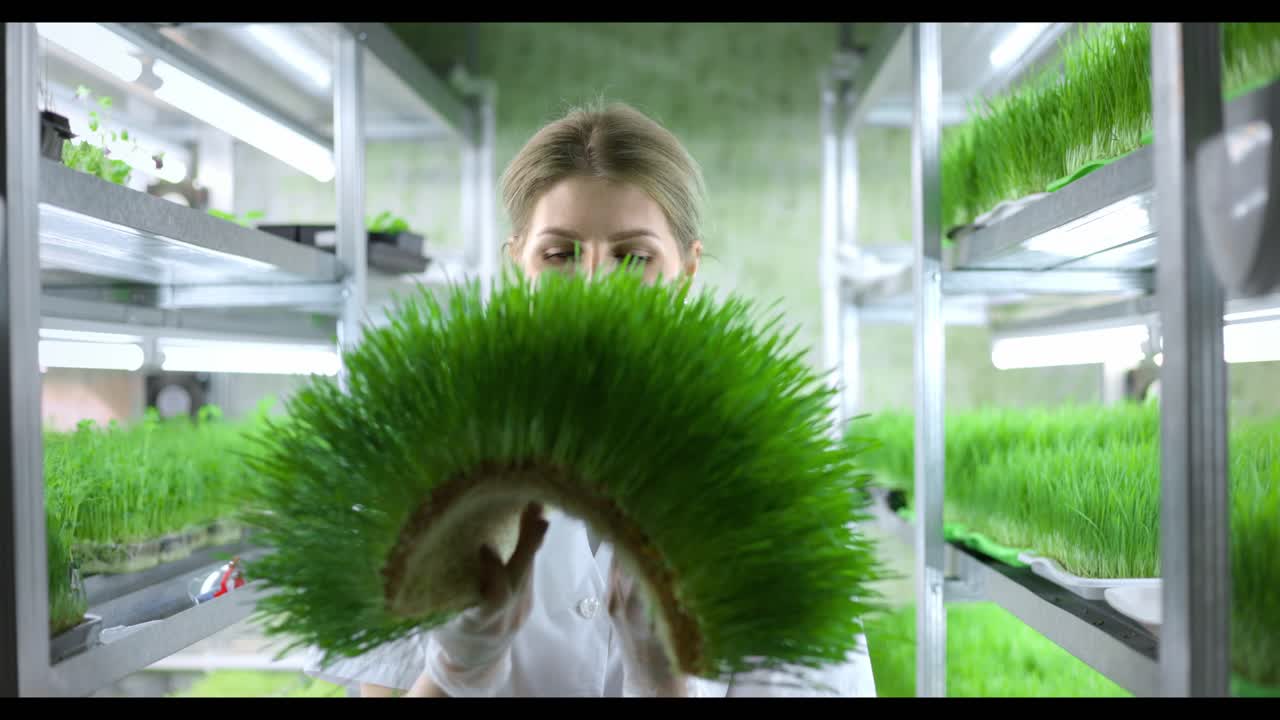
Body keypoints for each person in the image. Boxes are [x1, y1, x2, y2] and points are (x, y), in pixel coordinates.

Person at [304, 101, 878, 698]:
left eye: (634, 257)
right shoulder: (415, 455)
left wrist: (666, 687)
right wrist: (456, 674)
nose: (596, 287)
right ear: (517, 264)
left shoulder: (773, 482)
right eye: (560, 254)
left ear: (686, 270)